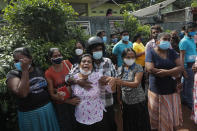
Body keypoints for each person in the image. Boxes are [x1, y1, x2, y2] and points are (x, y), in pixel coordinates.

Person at [66, 36, 117, 131]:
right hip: (88, 109)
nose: (98, 51)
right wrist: (78, 81)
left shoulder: (108, 62)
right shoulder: (84, 63)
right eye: (95, 49)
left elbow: (115, 79)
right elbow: (67, 78)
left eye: (100, 49)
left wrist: (111, 80)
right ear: (90, 50)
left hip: (107, 103)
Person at [6, 47, 60, 131]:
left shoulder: (39, 70)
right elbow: (23, 93)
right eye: (16, 61)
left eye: (22, 59)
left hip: (47, 112)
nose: (19, 63)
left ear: (30, 59)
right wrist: (24, 71)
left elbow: (46, 88)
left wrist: (56, 92)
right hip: (30, 115)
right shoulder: (13, 75)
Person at [145, 33, 183, 130]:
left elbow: (181, 67)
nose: (166, 41)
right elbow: (150, 69)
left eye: (168, 39)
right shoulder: (151, 52)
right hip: (156, 89)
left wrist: (166, 72)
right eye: (164, 39)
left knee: (169, 115)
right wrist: (173, 72)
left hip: (171, 88)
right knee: (156, 116)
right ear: (157, 41)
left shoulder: (172, 52)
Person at [116, 48, 151, 131]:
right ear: (123, 58)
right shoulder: (120, 69)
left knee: (140, 125)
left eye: (133, 57)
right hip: (126, 102)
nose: (130, 59)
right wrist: (119, 99)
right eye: (128, 57)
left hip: (138, 102)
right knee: (129, 124)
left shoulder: (138, 67)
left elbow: (136, 83)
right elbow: (118, 87)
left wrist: (121, 82)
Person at [45, 48, 79, 131]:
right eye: (55, 56)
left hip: (75, 99)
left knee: (78, 124)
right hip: (62, 105)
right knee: (66, 126)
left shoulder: (67, 63)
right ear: (50, 58)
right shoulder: (48, 73)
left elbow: (77, 76)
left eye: (59, 55)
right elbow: (52, 94)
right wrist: (68, 101)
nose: (58, 57)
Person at [179, 25, 197, 110]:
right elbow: (182, 57)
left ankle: (185, 100)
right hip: (188, 67)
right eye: (192, 30)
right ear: (186, 31)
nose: (194, 32)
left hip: (193, 66)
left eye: (195, 30)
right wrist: (183, 70)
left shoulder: (192, 39)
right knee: (189, 86)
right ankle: (190, 104)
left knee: (187, 85)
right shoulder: (184, 41)